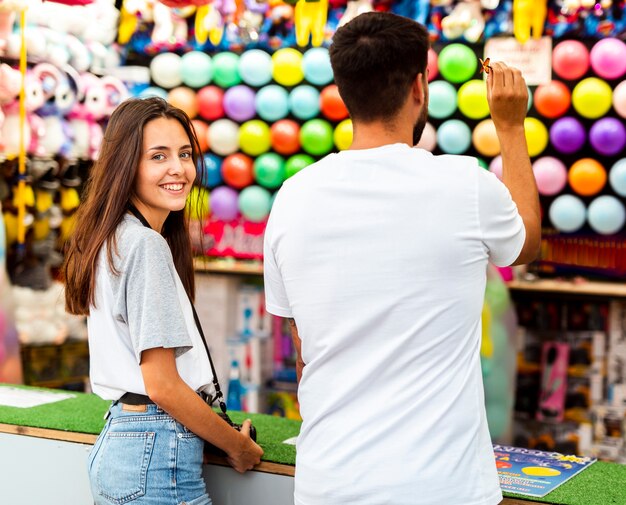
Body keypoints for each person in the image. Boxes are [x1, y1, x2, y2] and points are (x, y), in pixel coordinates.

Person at [263, 11, 540, 505]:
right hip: (443, 488)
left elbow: (303, 351)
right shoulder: (464, 185)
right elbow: (526, 245)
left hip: (329, 483)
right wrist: (511, 128)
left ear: (343, 91)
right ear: (420, 86)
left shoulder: (292, 198)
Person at [63, 97, 263, 505]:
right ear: (125, 166)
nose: (179, 168)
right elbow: (163, 386)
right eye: (158, 156)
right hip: (154, 455)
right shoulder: (144, 245)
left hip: (127, 443)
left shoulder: (110, 236)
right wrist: (237, 447)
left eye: (185, 154)